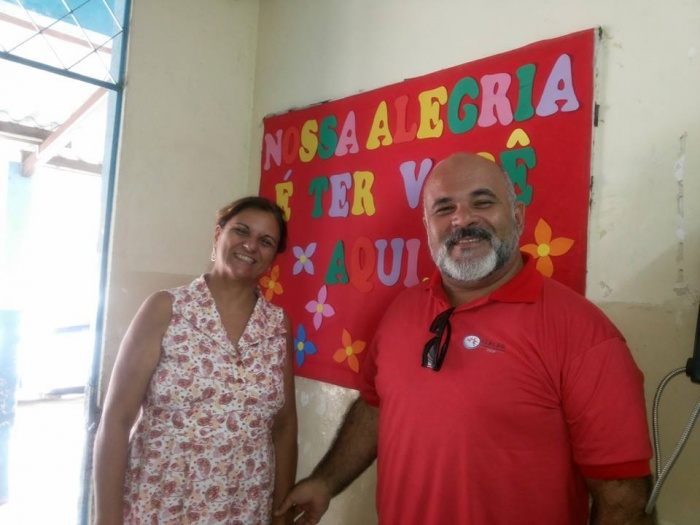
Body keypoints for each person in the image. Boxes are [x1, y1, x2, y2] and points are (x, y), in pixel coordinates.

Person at [276, 152, 655, 524]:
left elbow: (623, 498)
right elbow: (375, 408)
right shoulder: (401, 311)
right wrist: (324, 482)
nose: (462, 219)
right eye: (444, 208)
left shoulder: (584, 334)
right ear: (427, 226)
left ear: (518, 215)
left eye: (482, 202)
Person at [93, 196, 298, 525]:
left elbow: (285, 427)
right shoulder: (166, 309)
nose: (250, 245)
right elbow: (116, 420)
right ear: (218, 235)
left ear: (273, 256)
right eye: (241, 231)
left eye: (265, 241)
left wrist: (281, 518)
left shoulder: (277, 325)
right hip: (161, 503)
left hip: (244, 507)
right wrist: (106, 519)